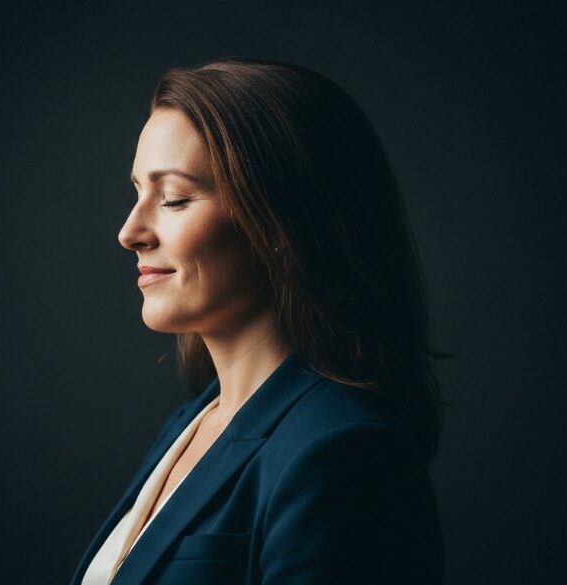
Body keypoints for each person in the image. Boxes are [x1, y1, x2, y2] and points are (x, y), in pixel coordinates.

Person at [71, 57, 446, 585]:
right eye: (138, 192)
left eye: (175, 199)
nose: (130, 232)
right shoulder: (193, 423)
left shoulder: (341, 453)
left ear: (280, 220)